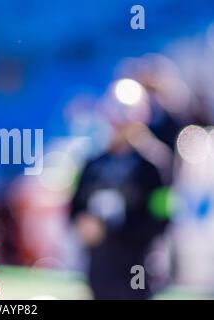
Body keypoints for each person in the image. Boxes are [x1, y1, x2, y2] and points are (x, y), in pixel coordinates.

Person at [70, 111, 169, 299]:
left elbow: (161, 217)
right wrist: (82, 223)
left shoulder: (154, 167)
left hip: (137, 261)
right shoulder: (93, 164)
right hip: (101, 262)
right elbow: (76, 205)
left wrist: (116, 229)